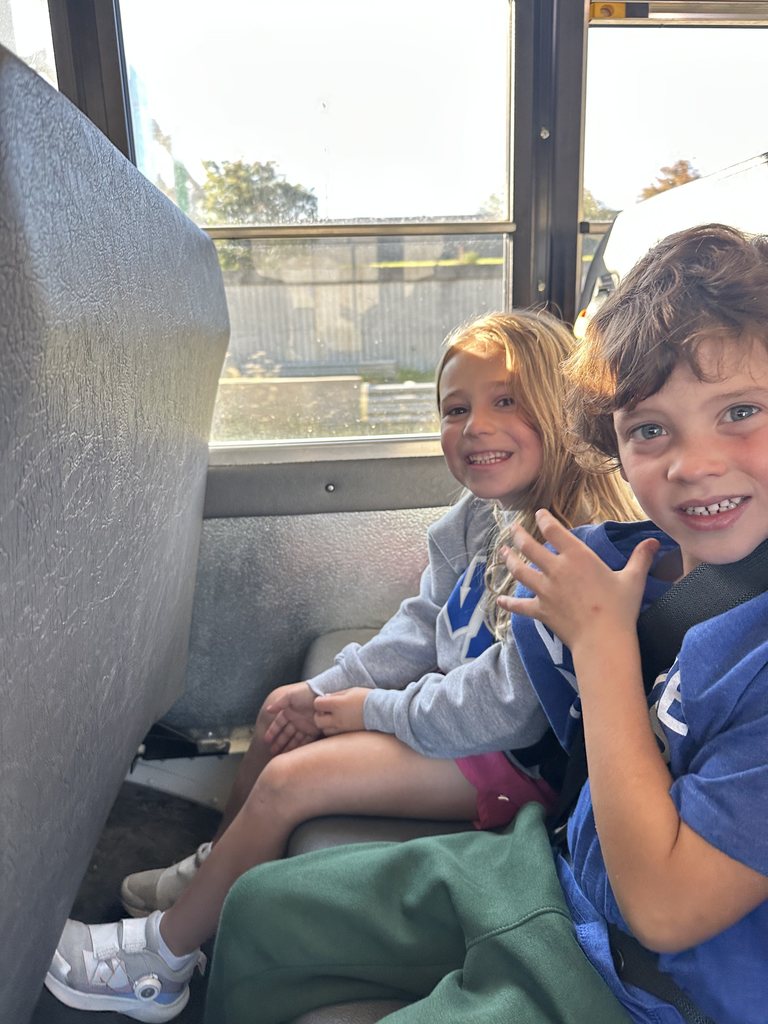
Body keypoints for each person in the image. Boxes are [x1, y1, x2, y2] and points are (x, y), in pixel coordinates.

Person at [194, 223, 768, 1024]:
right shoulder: (632, 557)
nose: (692, 462)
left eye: (740, 410)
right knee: (261, 911)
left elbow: (667, 909)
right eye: (650, 429)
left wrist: (600, 642)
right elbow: (429, 617)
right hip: (560, 873)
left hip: (654, 984)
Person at [44, 310, 639, 1021]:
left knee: (297, 778)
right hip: (463, 727)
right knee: (280, 719)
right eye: (456, 409)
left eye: (505, 401)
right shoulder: (477, 518)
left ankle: (159, 964)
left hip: (514, 765)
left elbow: (506, 709)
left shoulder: (569, 544)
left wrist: (368, 711)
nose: (475, 425)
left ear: (558, 407)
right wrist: (324, 690)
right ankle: (220, 873)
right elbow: (419, 629)